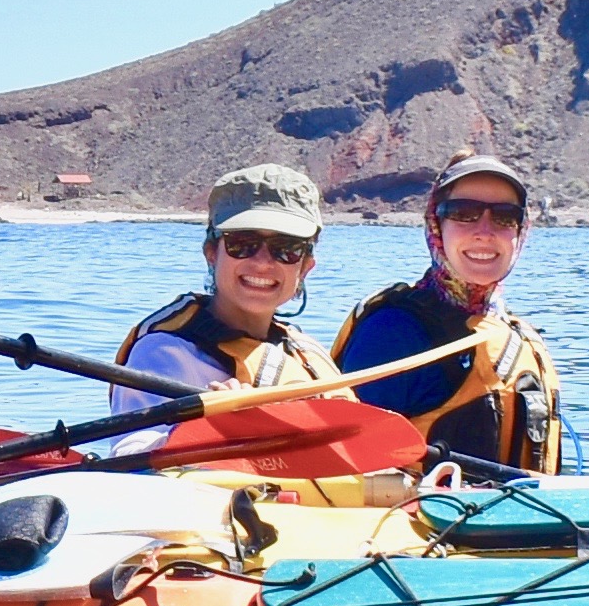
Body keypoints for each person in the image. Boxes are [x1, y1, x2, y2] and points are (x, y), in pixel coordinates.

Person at [330, 151, 565, 475]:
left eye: (504, 216)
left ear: (520, 230)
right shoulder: (393, 332)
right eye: (464, 213)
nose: (485, 231)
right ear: (436, 224)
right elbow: (341, 472)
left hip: (528, 522)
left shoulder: (515, 335)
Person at [113, 162, 349, 400]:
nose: (262, 263)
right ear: (211, 253)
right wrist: (226, 427)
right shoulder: (163, 354)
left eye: (286, 248)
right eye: (243, 243)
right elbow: (139, 439)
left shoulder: (307, 353)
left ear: (306, 266)